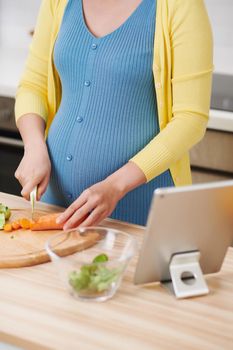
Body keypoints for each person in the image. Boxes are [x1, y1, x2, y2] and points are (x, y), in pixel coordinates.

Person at [14, 0, 213, 228]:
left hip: (139, 212)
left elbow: (190, 119)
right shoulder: (58, 3)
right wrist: (34, 147)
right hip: (54, 205)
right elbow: (33, 84)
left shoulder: (181, 6)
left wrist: (116, 186)